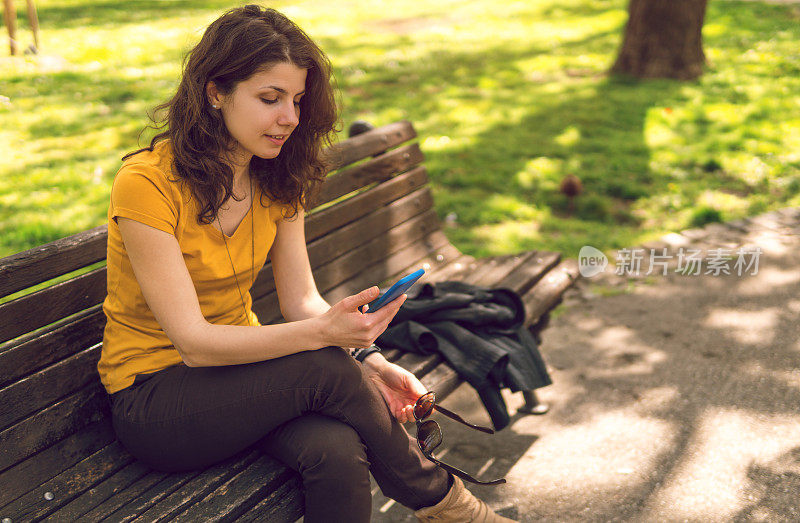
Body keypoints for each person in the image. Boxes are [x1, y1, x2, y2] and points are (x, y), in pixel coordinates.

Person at [98, 5, 514, 522]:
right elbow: (195, 344)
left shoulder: (277, 177)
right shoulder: (147, 183)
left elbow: (300, 301)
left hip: (243, 378)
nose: (290, 118)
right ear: (215, 92)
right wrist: (325, 337)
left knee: (337, 450)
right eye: (270, 98)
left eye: (296, 100)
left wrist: (375, 363)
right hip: (156, 400)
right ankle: (453, 507)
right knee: (321, 364)